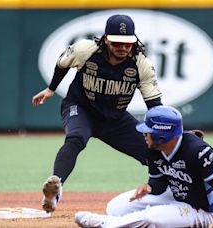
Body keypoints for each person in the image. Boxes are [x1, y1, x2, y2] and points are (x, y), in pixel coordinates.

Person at [32, 14, 163, 213]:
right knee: (76, 138)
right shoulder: (86, 50)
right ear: (105, 39)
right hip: (81, 108)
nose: (122, 48)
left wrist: (164, 135)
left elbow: (154, 105)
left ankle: (169, 194)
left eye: (127, 43)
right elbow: (62, 63)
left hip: (115, 118)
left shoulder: (141, 64)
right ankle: (55, 190)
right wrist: (51, 89)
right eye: (117, 42)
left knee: (154, 153)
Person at [75, 106, 213, 228]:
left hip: (202, 210)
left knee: (151, 217)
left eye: (148, 131)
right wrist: (149, 187)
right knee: (115, 207)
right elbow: (160, 183)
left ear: (162, 135)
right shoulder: (153, 149)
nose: (144, 135)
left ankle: (107, 224)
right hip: (175, 196)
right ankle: (127, 221)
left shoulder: (197, 150)